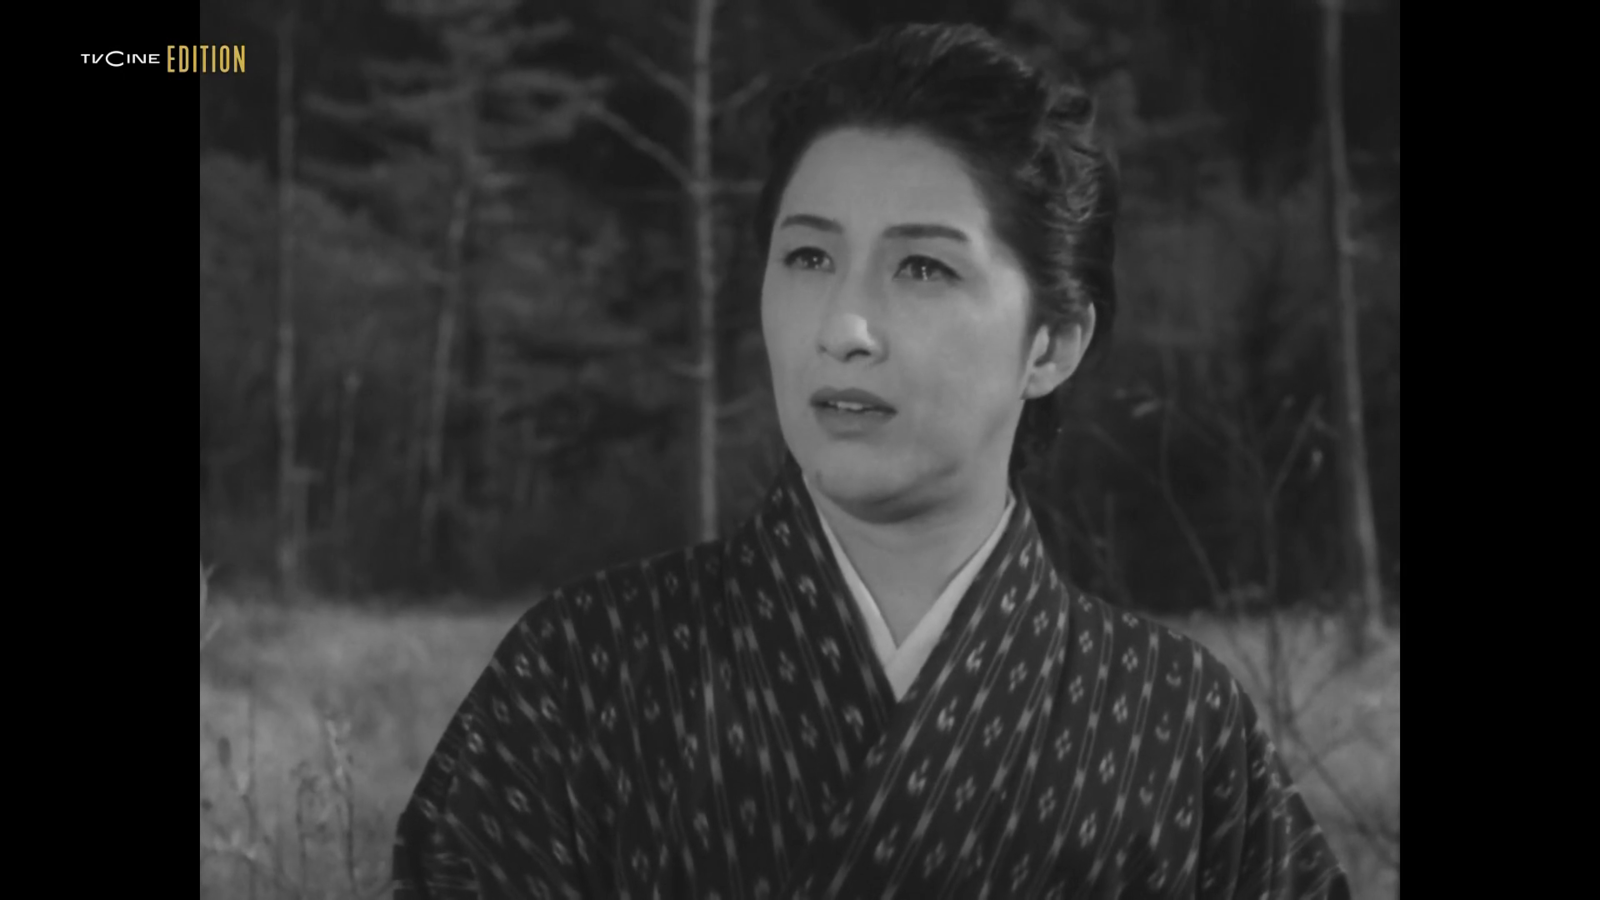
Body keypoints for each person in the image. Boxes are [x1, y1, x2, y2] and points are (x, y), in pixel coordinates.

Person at [393, 22, 1351, 900]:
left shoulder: (1174, 723)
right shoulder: (583, 668)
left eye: (923, 268)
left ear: (1052, 344)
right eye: (808, 259)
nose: (843, 328)